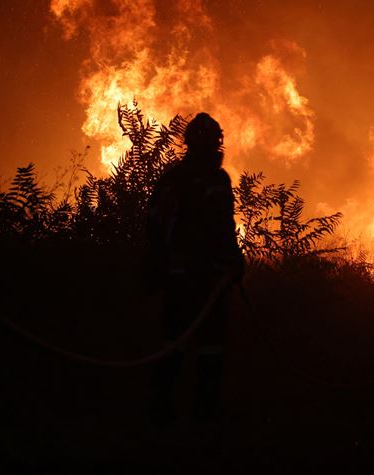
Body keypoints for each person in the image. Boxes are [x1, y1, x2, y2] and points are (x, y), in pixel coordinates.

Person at [147, 112, 244, 425]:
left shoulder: (171, 178)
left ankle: (161, 411)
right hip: (207, 278)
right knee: (210, 347)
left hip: (177, 277)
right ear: (217, 142)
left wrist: (160, 264)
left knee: (172, 342)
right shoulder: (217, 180)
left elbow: (154, 226)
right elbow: (223, 228)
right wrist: (233, 262)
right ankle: (204, 416)